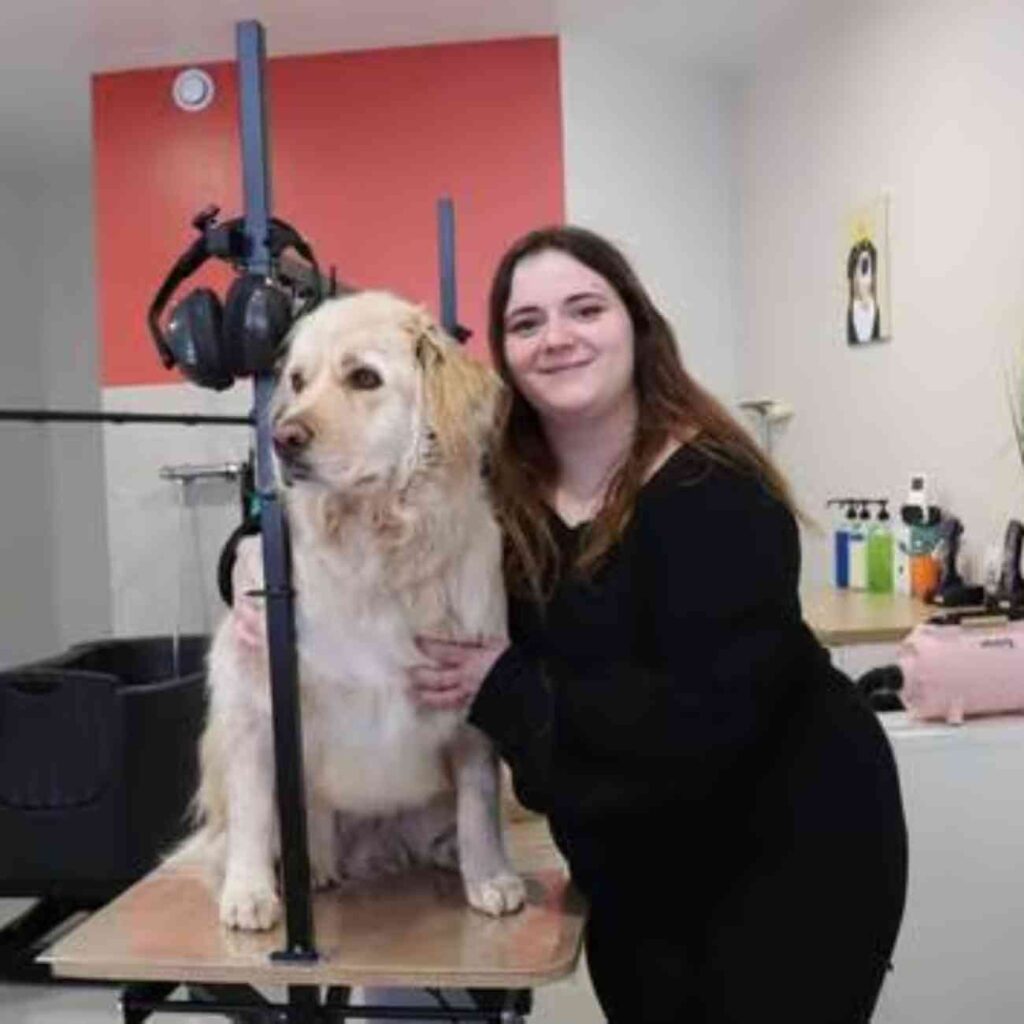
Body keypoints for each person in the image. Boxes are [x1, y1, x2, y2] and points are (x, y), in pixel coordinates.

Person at [235, 226, 908, 1023]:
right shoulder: (500, 481)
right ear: (506, 355)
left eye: (584, 309)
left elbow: (707, 726)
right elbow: (368, 528)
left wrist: (509, 689)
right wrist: (249, 571)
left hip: (788, 843)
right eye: (526, 324)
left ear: (636, 325)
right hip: (629, 861)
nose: (556, 338)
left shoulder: (717, 490)